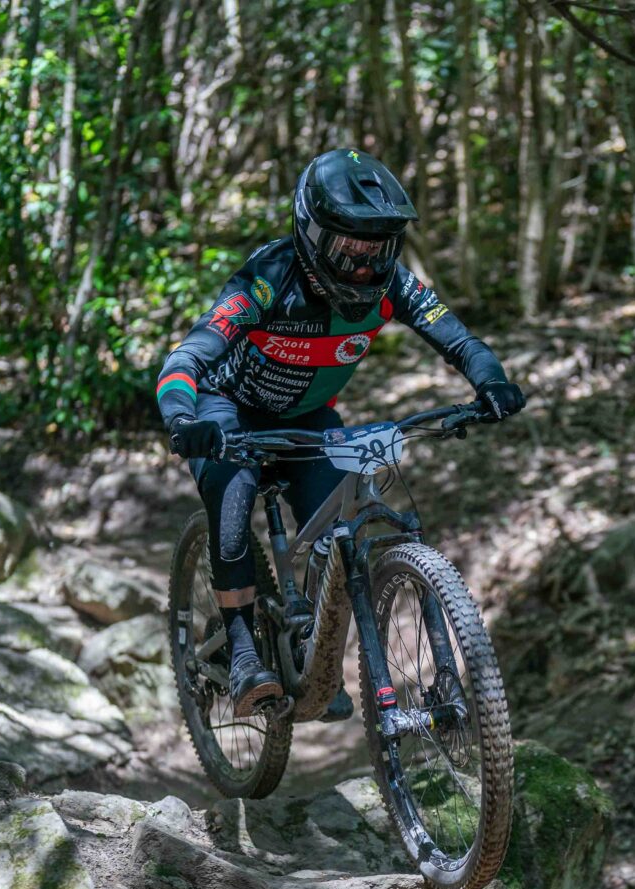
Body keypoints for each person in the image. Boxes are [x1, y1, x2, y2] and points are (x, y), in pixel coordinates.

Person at [154, 149, 525, 717]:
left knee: (338, 533)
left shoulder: (394, 285)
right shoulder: (268, 279)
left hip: (308, 418)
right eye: (350, 246)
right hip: (226, 410)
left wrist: (491, 382)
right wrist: (184, 419)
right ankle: (244, 649)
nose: (364, 264)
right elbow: (187, 358)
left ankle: (313, 656)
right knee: (232, 503)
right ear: (311, 235)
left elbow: (458, 340)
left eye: (378, 247)